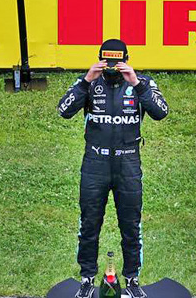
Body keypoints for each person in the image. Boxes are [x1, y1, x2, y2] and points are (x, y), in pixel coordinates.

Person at [57, 39, 169, 298]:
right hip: (95, 163)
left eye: (117, 60)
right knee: (89, 223)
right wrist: (86, 81)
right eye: (106, 60)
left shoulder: (142, 82)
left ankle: (132, 279)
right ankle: (86, 279)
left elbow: (161, 112)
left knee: (131, 224)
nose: (111, 66)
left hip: (128, 162)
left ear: (126, 59)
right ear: (99, 59)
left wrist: (137, 85)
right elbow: (63, 110)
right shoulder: (88, 82)